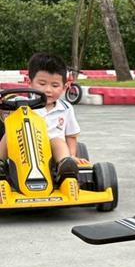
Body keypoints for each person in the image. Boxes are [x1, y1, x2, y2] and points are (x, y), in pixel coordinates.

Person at [0, 52, 80, 185]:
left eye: (55, 86)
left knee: (58, 141)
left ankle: (65, 165)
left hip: (51, 153)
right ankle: (1, 162)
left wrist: (72, 155)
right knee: (9, 135)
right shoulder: (19, 103)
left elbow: (71, 135)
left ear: (64, 88)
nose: (48, 90)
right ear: (30, 83)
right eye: (42, 84)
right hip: (23, 148)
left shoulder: (66, 109)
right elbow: (4, 112)